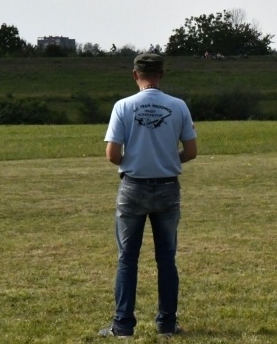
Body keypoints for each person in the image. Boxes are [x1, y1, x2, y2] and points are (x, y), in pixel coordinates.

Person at [99, 53, 197, 338]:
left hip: (133, 187)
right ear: (161, 75)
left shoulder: (123, 106)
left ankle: (123, 325)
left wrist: (133, 161)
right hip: (167, 187)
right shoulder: (178, 106)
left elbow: (112, 154)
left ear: (135, 75)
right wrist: (168, 158)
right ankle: (167, 324)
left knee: (127, 258)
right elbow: (191, 151)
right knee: (166, 258)